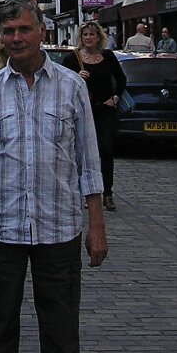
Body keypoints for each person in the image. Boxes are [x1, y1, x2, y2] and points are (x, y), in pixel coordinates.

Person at [0, 0, 107, 353]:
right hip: (3, 229)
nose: (16, 38)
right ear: (0, 36)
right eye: (8, 31)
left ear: (41, 31)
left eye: (24, 29)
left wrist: (96, 226)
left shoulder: (72, 86)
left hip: (58, 228)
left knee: (61, 336)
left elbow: (88, 161)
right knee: (0, 334)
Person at [63, 21, 126, 212]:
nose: (88, 38)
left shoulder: (107, 56)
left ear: (99, 37)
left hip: (105, 110)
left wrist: (115, 97)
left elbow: (121, 79)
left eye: (92, 34)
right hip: (83, 111)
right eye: (85, 35)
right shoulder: (73, 58)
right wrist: (76, 75)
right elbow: (62, 81)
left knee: (106, 150)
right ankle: (88, 193)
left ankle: (107, 193)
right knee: (84, 152)